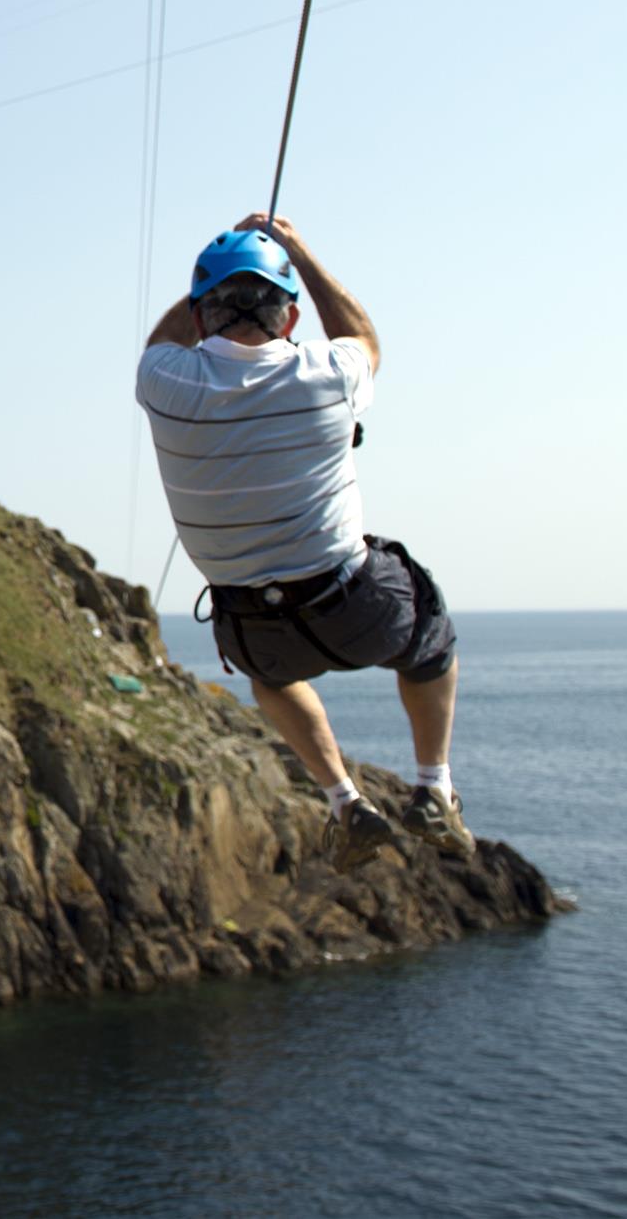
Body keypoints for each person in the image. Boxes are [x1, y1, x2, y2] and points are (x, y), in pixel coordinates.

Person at [137, 213, 472, 873]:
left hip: (255, 627)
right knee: (428, 633)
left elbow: (165, 340)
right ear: (289, 319)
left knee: (273, 681)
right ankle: (434, 787)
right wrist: (296, 252)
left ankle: (345, 803)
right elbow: (362, 334)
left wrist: (218, 279)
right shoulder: (329, 373)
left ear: (203, 317)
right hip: (358, 608)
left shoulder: (164, 385)